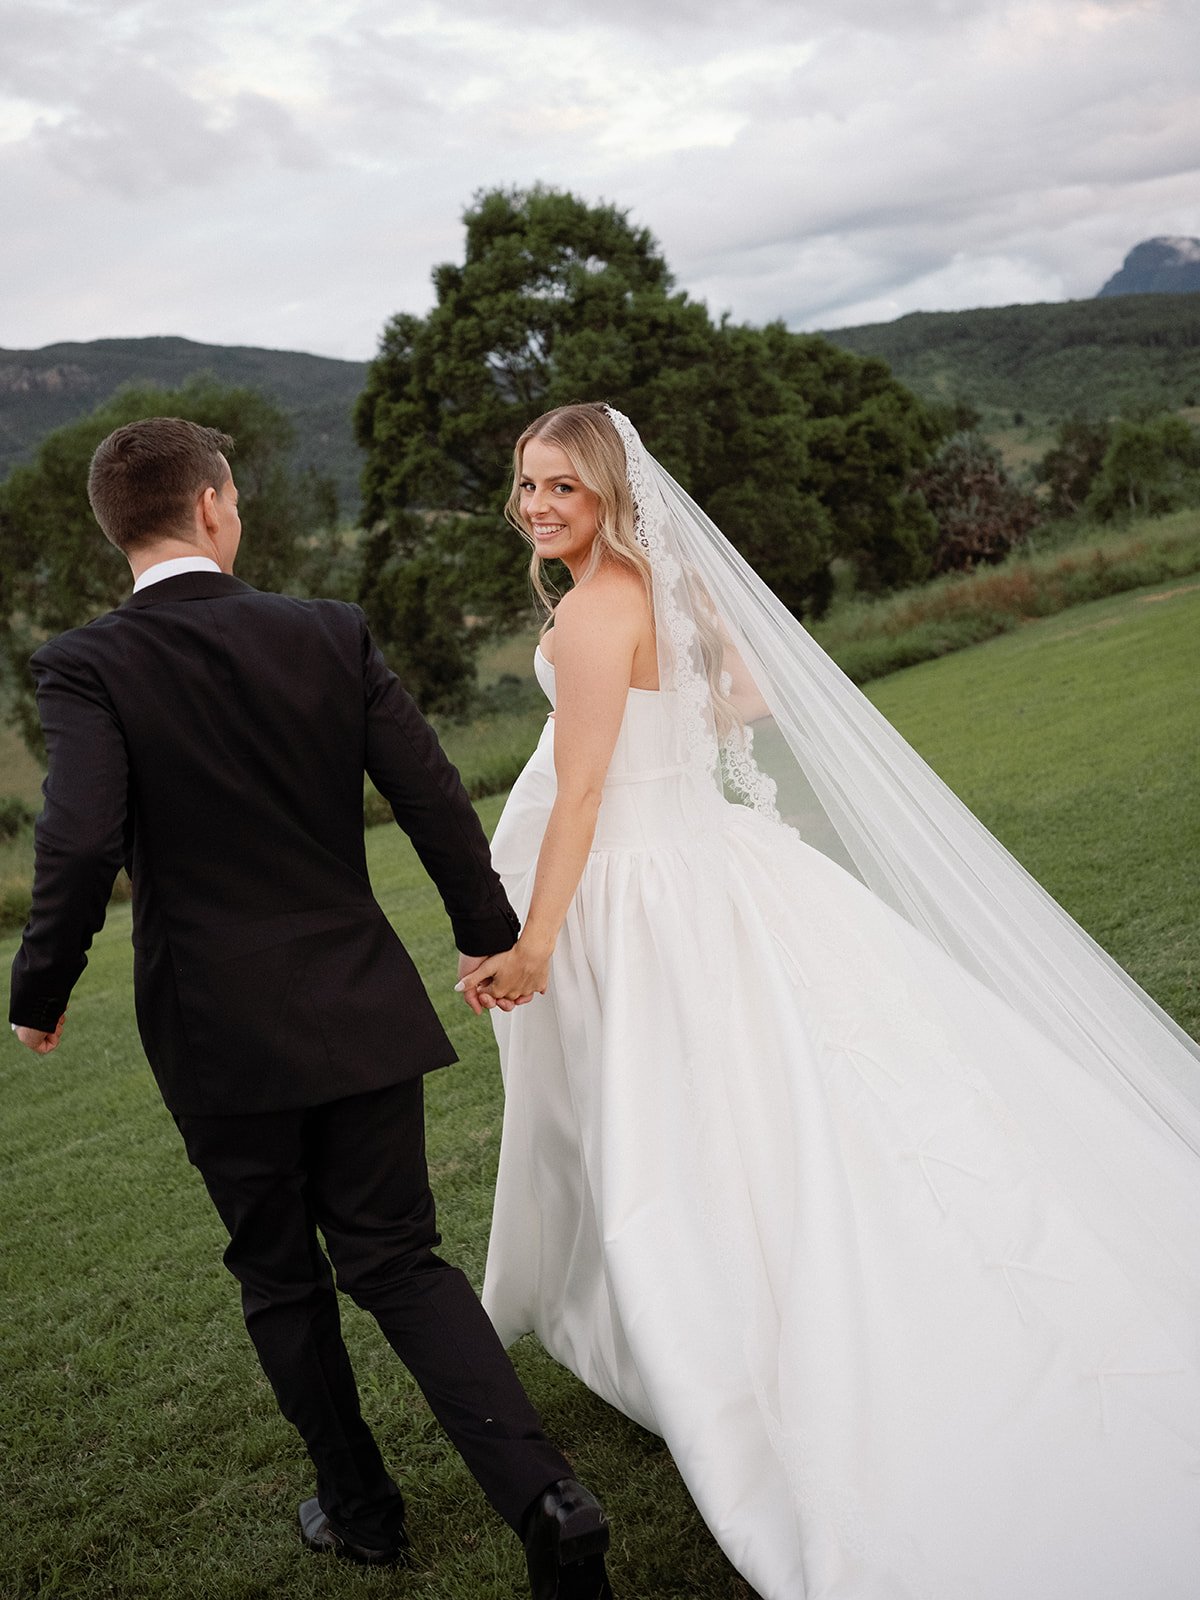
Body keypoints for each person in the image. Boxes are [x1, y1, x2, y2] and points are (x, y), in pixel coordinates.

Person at [460, 402, 1200, 1600]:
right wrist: (674, 729)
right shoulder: (662, 587)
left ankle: (744, 1317)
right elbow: (748, 692)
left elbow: (585, 795)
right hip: (723, 862)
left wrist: (534, 941)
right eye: (528, 484)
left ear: (609, 495)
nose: (537, 506)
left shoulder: (595, 609)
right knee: (816, 1085)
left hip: (649, 889)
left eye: (563, 488)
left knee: (691, 1118)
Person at [7, 416, 613, 1600]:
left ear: (119, 530)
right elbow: (430, 792)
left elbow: (77, 841)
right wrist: (488, 930)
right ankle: (548, 1496)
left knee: (280, 1275)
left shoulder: (84, 664)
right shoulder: (327, 630)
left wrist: (42, 987)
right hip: (359, 999)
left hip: (215, 1027)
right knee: (400, 1259)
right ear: (214, 505)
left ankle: (363, 1514)